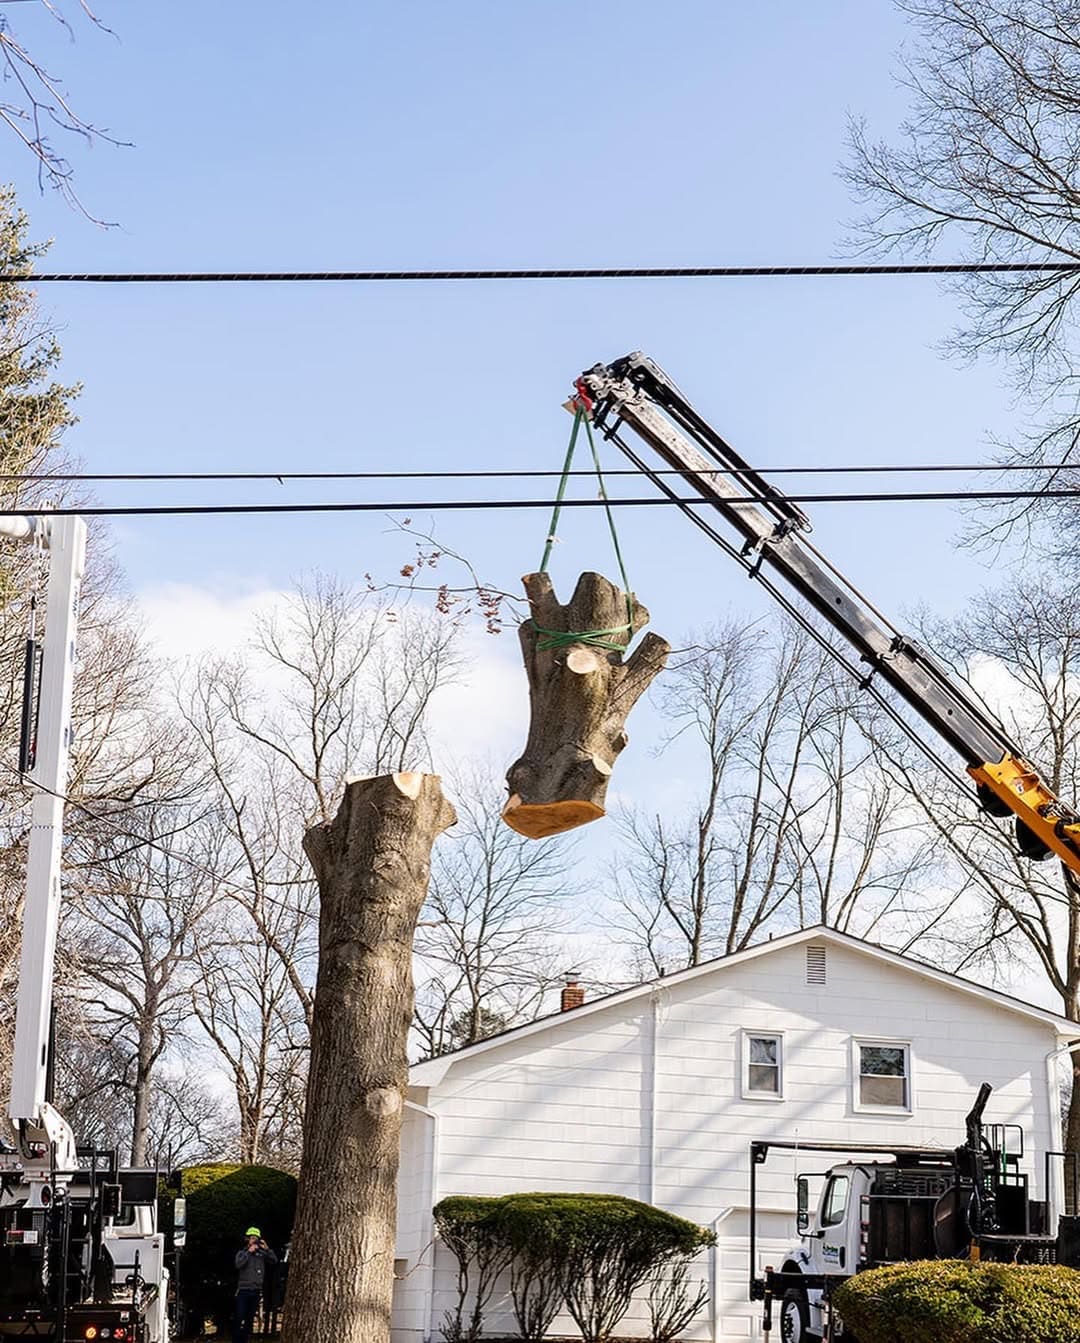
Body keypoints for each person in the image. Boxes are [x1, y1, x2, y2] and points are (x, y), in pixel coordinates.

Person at [233, 1226, 277, 1343]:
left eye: (256, 1238)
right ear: (247, 1239)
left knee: (249, 1318)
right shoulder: (242, 1253)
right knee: (239, 1317)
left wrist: (267, 1249)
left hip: (256, 1290)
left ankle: (245, 1340)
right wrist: (249, 1252)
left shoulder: (261, 1254)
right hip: (243, 1290)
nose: (254, 1241)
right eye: (252, 1238)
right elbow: (238, 1264)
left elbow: (273, 1261)